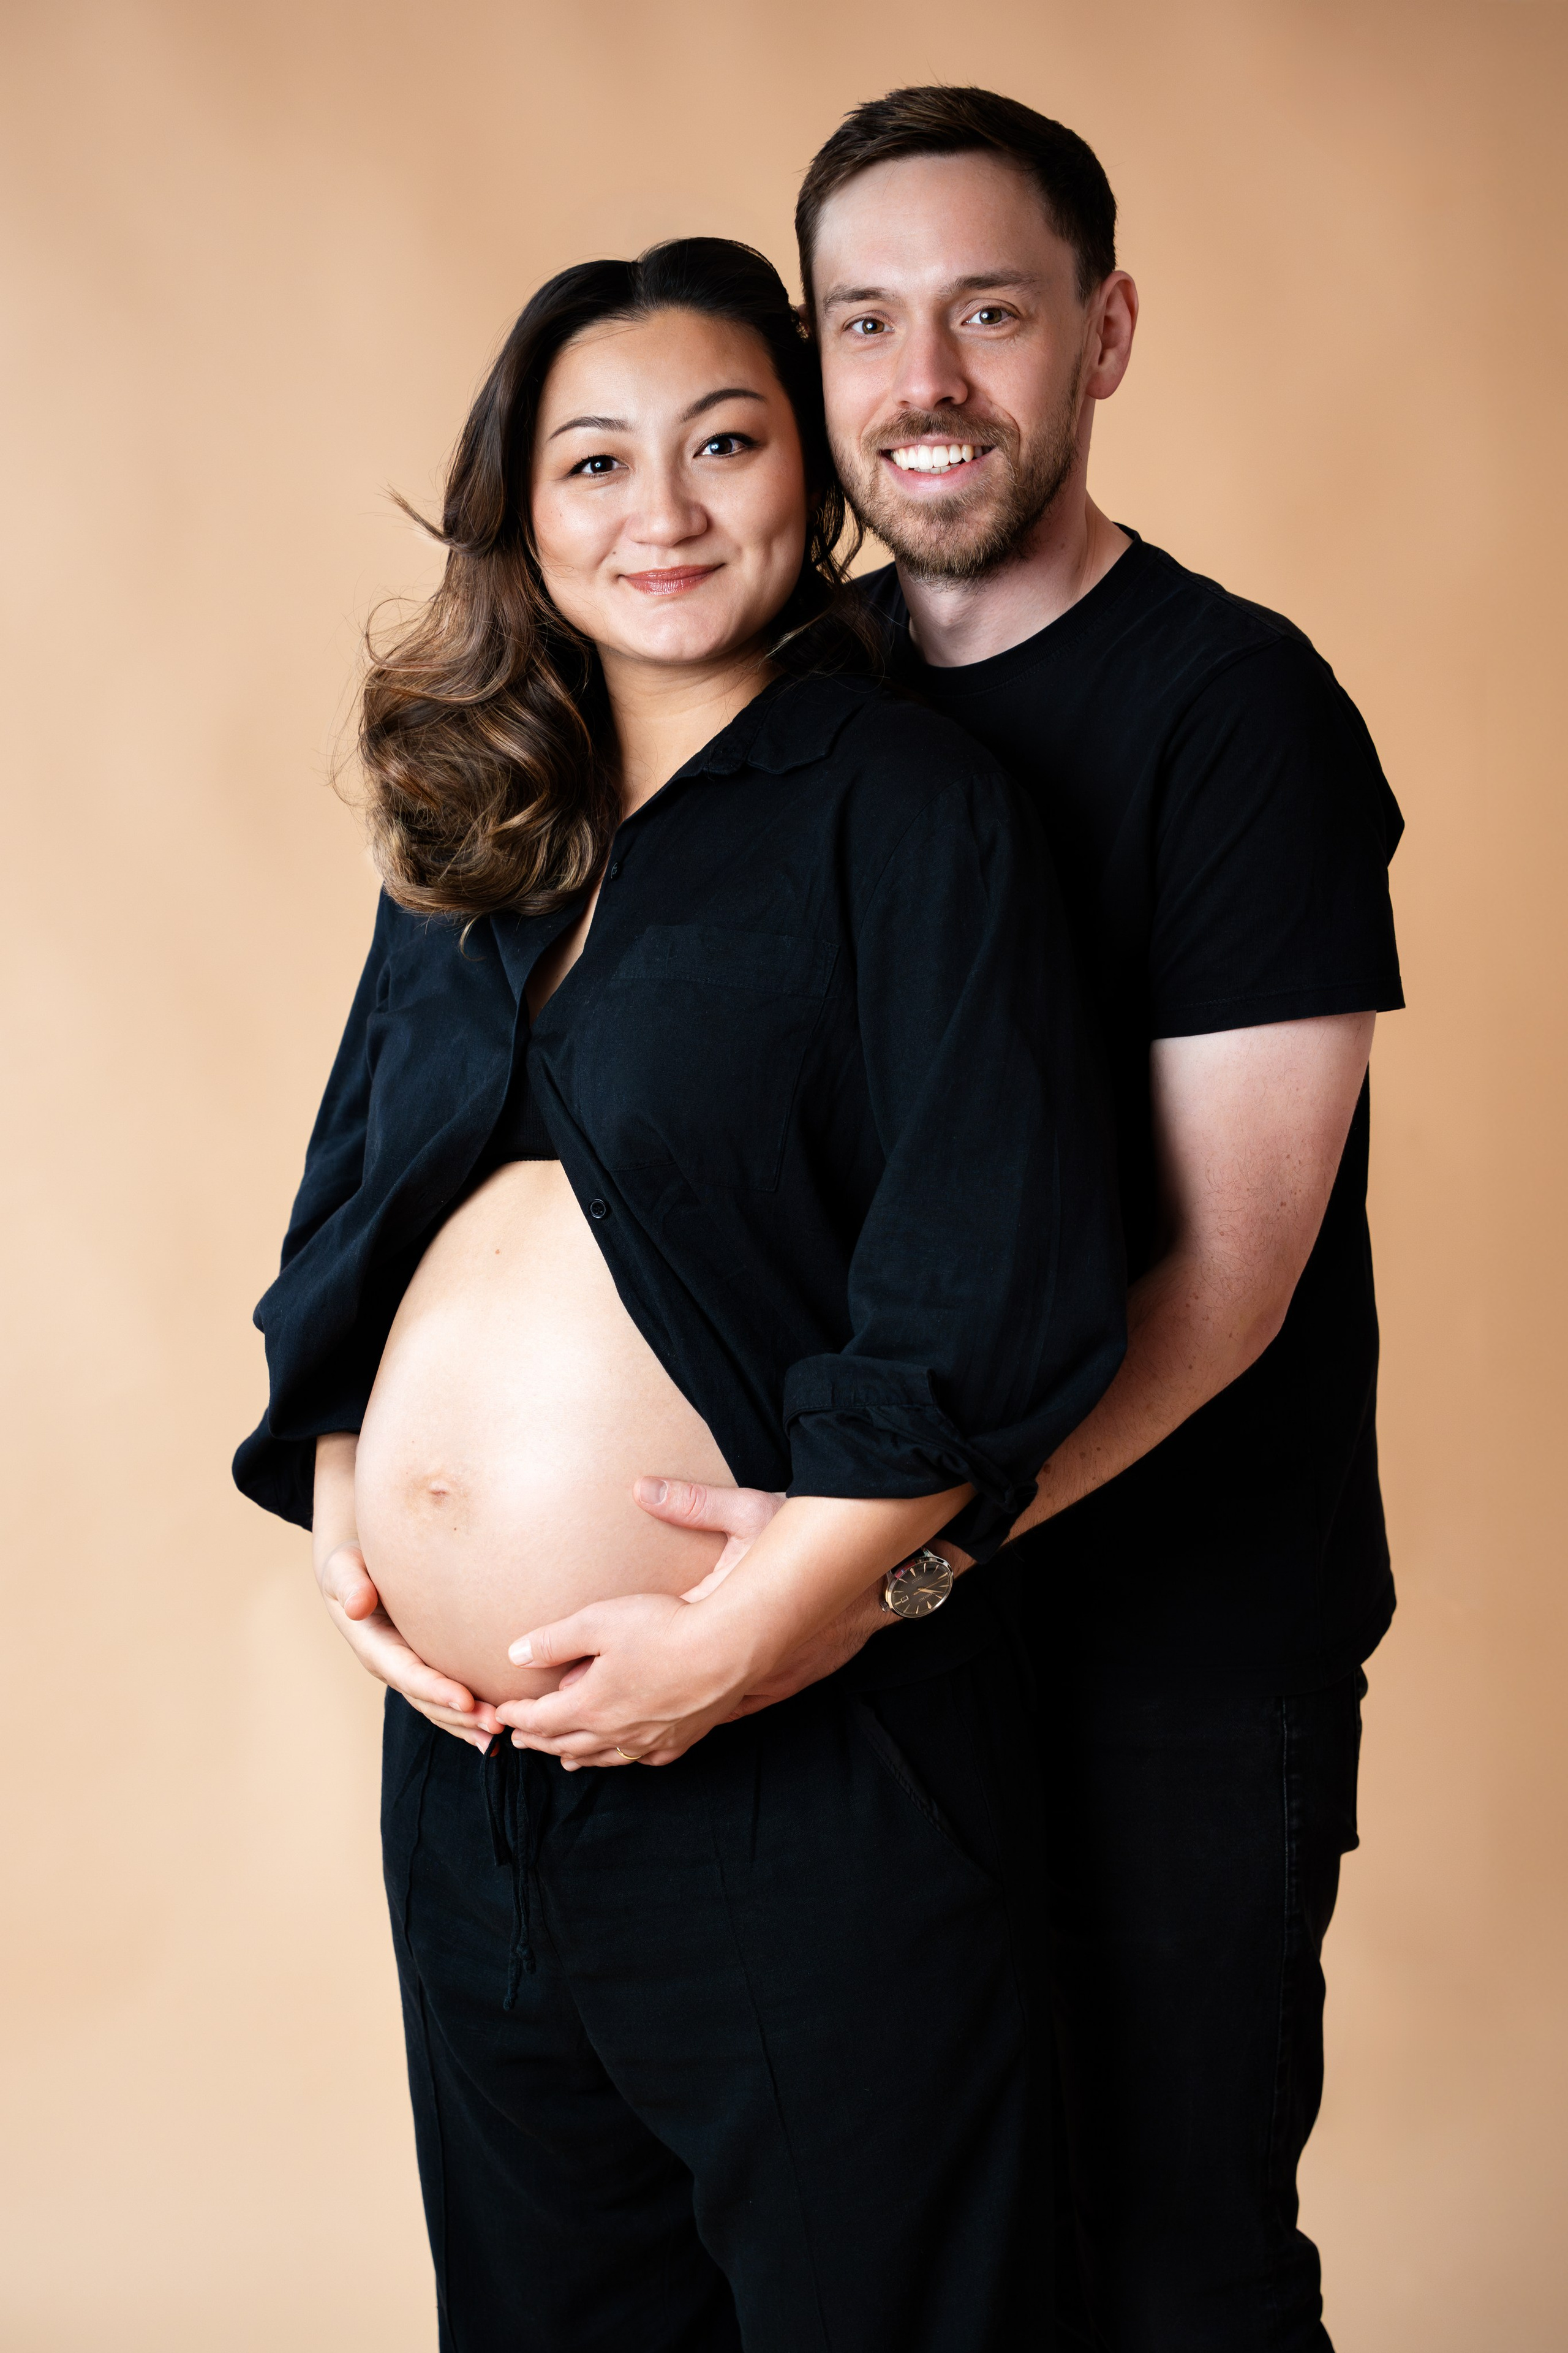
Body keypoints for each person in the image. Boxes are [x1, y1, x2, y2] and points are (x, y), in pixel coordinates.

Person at [233, 236, 1126, 2352]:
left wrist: (737, 1644)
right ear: (523, 517)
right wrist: (362, 1502)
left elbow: (985, 1268)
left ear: (807, 479)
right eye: (595, 461)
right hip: (472, 1785)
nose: (664, 512)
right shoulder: (477, 828)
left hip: (796, 1754)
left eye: (725, 444)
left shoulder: (911, 809)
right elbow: (350, 1195)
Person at [629, 90, 1406, 2352]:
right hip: (851, 1640)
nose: (925, 378)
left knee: (1168, 2262)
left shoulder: (1233, 712)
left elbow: (1229, 1280)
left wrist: (881, 1557)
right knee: (909, 2254)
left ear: (1107, 334)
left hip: (1162, 1633)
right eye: (865, 321)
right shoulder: (780, 691)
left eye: (989, 310)